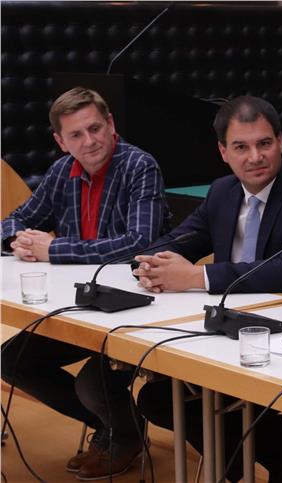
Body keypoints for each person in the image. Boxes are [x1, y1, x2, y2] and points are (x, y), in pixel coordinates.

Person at [133, 95, 282, 482]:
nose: (255, 157)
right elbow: (176, 242)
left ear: (281, 142)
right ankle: (271, 458)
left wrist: (196, 277)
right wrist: (150, 265)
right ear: (223, 152)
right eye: (241, 147)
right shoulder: (223, 191)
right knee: (158, 398)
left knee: (188, 398)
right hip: (227, 331)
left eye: (264, 143)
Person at [0, 87, 170, 479]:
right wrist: (16, 240)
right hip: (78, 306)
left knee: (91, 384)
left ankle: (120, 434)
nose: (89, 141)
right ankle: (116, 429)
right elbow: (15, 219)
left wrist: (54, 249)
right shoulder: (62, 171)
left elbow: (138, 243)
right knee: (12, 360)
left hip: (136, 310)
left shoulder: (139, 166)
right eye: (76, 135)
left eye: (95, 128)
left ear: (111, 124)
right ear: (61, 141)